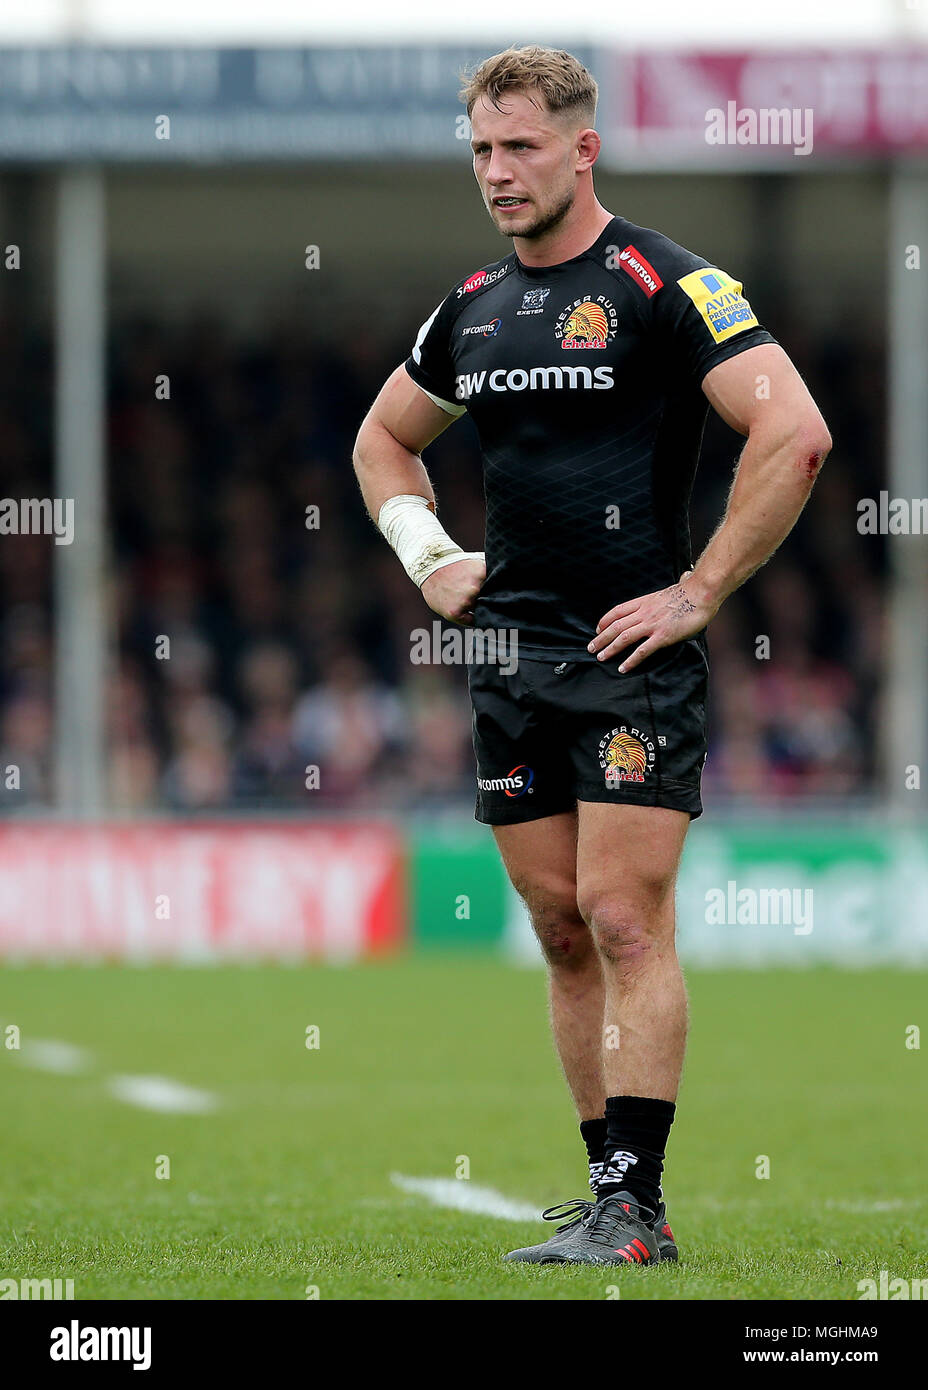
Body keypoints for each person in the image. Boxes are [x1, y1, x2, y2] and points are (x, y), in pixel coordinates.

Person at [353, 45, 831, 1266]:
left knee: (624, 918)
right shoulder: (470, 307)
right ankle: (610, 1197)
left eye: (518, 147)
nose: (497, 172)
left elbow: (794, 434)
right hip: (510, 656)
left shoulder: (667, 285)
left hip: (629, 655)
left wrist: (699, 588)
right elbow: (381, 447)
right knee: (560, 926)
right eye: (480, 149)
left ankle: (635, 1206)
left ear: (583, 147)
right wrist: (427, 556)